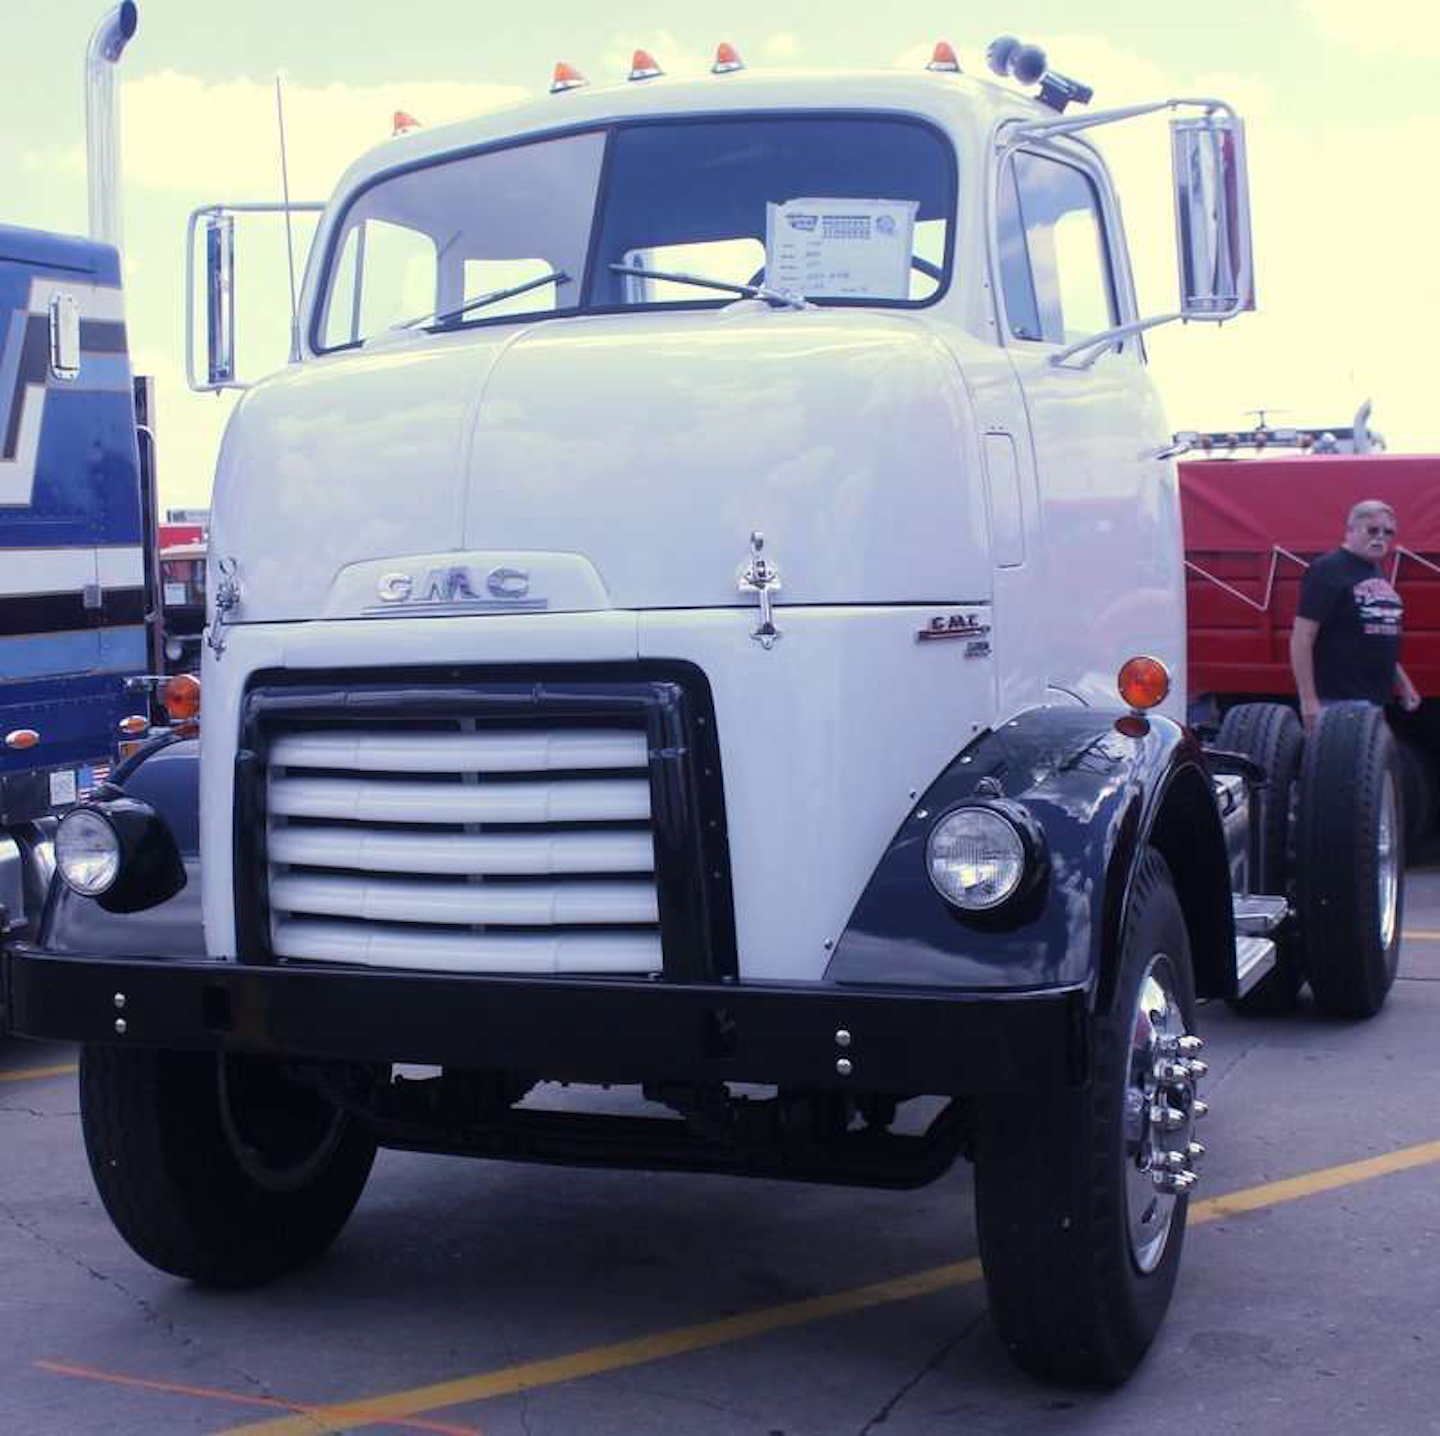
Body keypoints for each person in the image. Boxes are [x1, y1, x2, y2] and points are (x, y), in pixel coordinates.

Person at [1290, 499, 1421, 730]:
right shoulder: (1328, 569)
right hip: (1339, 701)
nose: (1381, 537)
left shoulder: (1375, 570)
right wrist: (1308, 701)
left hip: (1374, 699)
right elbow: (1302, 638)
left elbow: (1377, 634)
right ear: (1350, 530)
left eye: (1388, 532)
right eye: (1372, 530)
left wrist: (1402, 682)